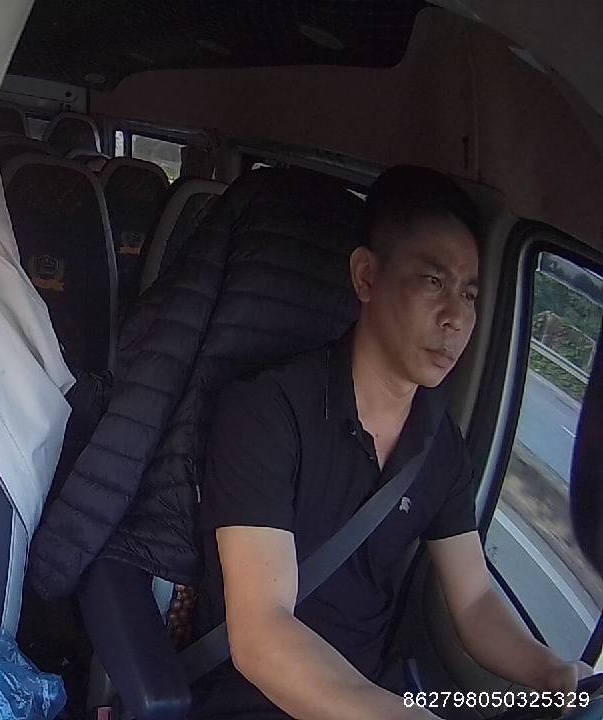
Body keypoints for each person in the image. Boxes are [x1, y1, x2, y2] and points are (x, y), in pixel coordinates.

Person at [194, 166, 593, 719]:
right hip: (256, 700)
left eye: (469, 294)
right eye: (432, 281)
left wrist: (548, 671)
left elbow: (474, 599)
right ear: (366, 278)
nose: (456, 317)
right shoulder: (268, 410)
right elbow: (262, 630)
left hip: (376, 693)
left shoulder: (439, 445)